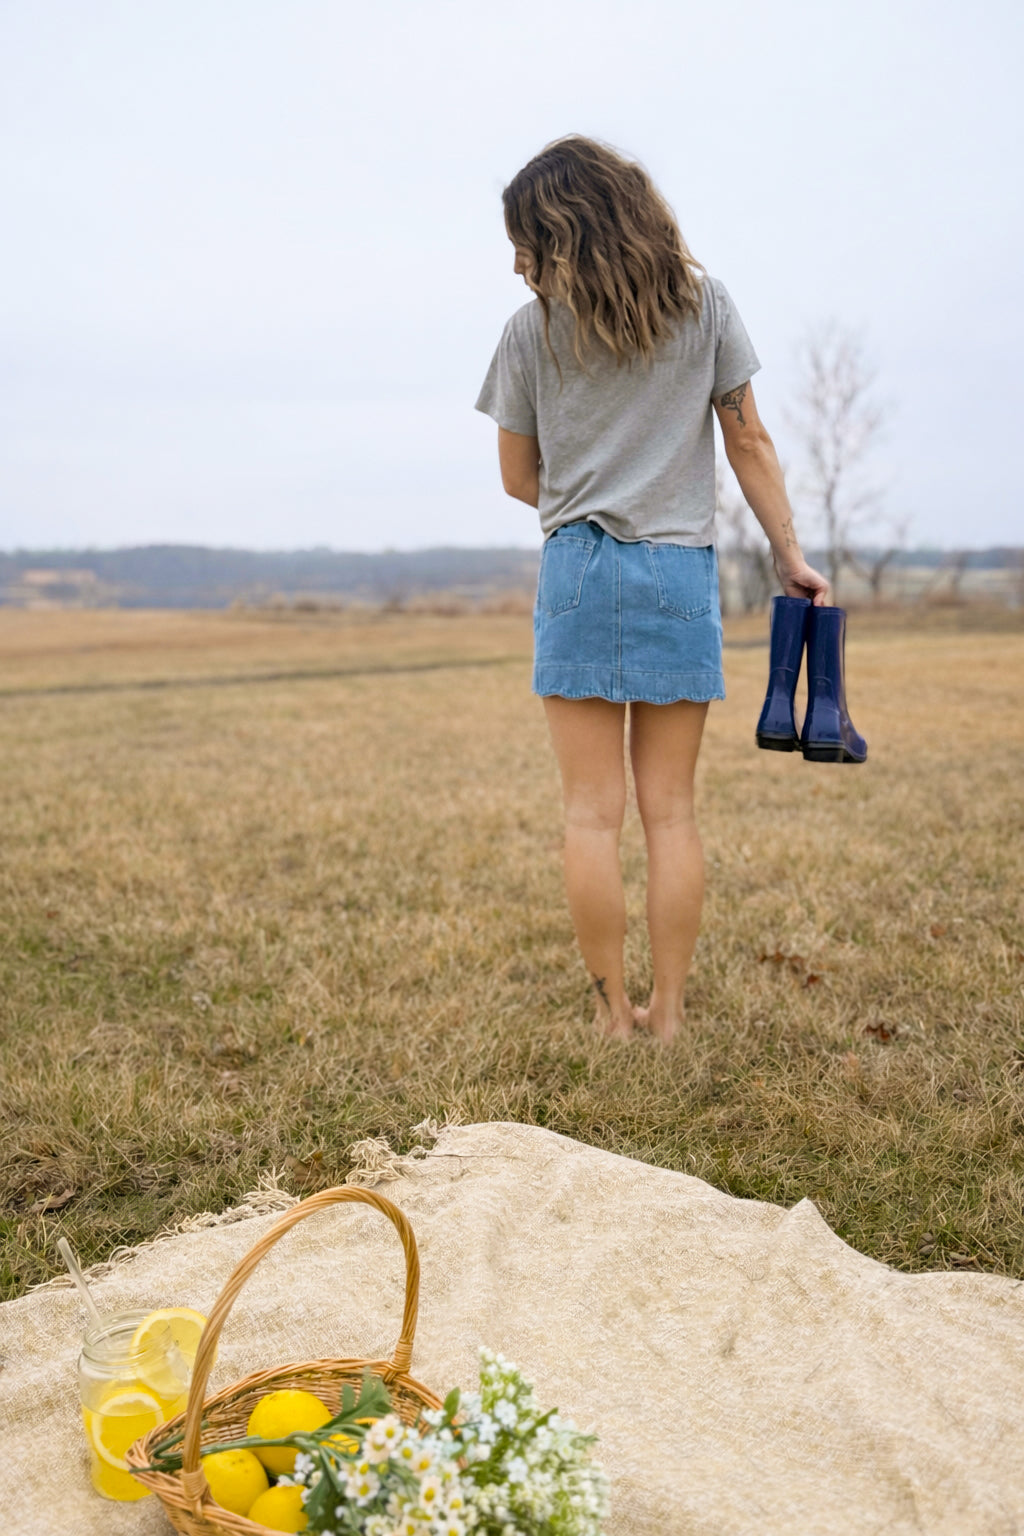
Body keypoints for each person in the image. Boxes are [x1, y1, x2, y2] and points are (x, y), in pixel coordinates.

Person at [475, 135, 829, 1043]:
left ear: (560, 232)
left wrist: (588, 489)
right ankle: (667, 1015)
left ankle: (612, 1017)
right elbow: (749, 442)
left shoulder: (529, 333)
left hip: (577, 571)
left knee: (590, 817)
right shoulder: (706, 308)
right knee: (671, 814)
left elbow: (519, 478)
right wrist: (789, 555)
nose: (519, 263)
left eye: (525, 242)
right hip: (678, 572)